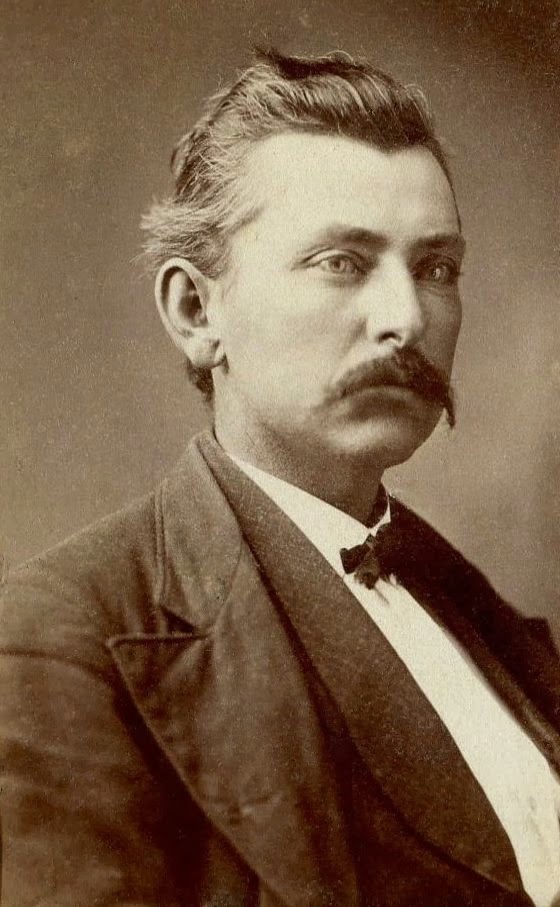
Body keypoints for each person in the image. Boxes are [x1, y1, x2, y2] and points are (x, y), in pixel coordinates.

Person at [1, 48, 559, 907]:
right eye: (342, 261)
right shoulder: (62, 640)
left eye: (436, 268)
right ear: (198, 311)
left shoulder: (483, 619)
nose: (406, 318)